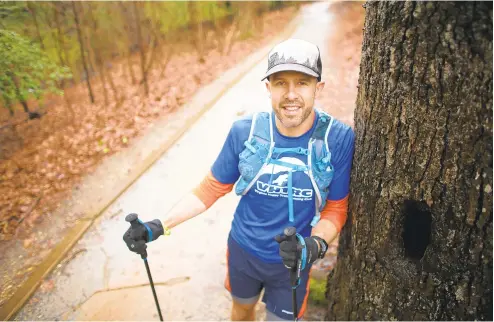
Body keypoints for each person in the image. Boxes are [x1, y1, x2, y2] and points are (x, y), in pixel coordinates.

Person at [123, 38, 355, 321]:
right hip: (244, 253)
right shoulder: (245, 132)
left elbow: (336, 208)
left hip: (294, 263)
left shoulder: (338, 139)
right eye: (281, 82)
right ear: (268, 87)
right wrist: (159, 225)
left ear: (318, 88)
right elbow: (210, 188)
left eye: (302, 82)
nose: (291, 94)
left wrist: (314, 246)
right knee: (242, 311)